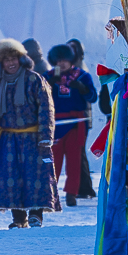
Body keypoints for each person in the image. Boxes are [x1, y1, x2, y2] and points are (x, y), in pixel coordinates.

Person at [0, 39, 57, 228]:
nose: (11, 63)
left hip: (33, 137)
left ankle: (36, 214)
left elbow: (46, 109)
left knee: (34, 177)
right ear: (0, 63)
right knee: (11, 178)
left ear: (21, 59)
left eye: (14, 58)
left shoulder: (35, 79)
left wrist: (46, 136)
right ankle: (18, 219)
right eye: (6, 60)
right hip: (9, 139)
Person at [44, 43, 96, 207]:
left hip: (76, 123)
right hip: (56, 124)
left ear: (71, 59)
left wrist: (82, 88)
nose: (62, 64)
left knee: (74, 160)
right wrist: (48, 86)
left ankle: (71, 193)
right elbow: (37, 99)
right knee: (54, 160)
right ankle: (50, 193)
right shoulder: (47, 76)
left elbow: (93, 97)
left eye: (64, 60)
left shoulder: (82, 76)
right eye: (58, 61)